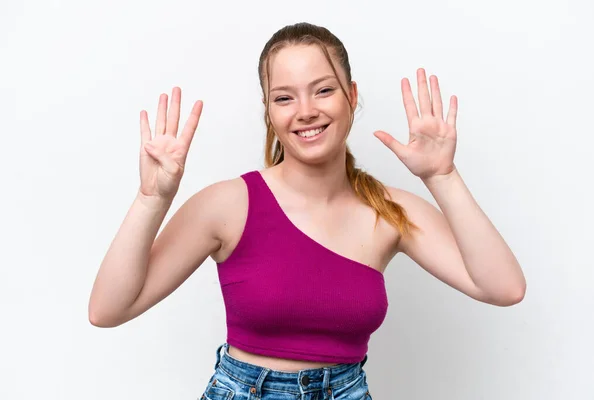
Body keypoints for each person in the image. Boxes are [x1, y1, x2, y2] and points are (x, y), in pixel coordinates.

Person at [88, 22, 526, 400]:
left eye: (324, 90)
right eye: (284, 98)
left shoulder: (388, 212)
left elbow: (504, 287)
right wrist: (152, 199)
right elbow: (108, 310)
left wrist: (443, 177)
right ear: (269, 112)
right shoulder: (229, 205)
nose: (306, 111)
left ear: (351, 96)